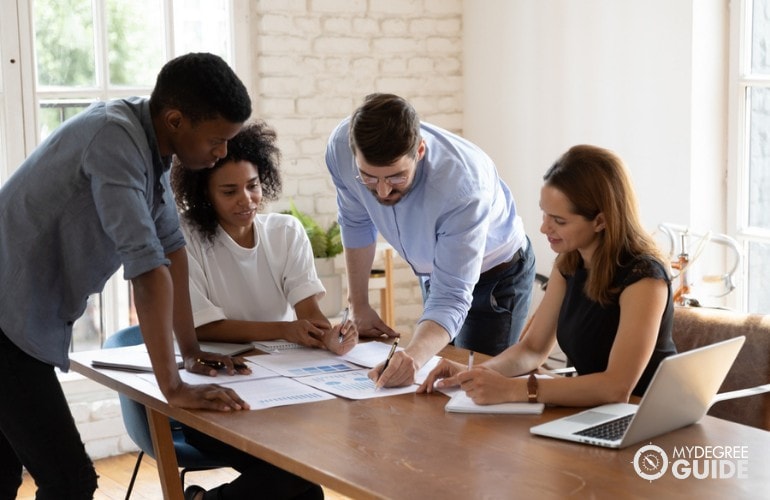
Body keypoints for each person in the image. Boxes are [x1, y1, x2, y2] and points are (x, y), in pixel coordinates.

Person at [0, 52, 255, 499]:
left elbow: (172, 249)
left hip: (16, 318)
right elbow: (147, 269)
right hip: (5, 323)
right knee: (70, 481)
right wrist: (172, 388)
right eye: (217, 139)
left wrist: (191, 351)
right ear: (176, 119)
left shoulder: (147, 144)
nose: (223, 152)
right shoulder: (113, 138)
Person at [419, 145, 677, 406]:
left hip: (647, 416)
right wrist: (474, 374)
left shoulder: (644, 278)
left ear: (600, 221)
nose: (544, 227)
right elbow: (532, 349)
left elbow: (616, 388)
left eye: (559, 221)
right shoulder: (570, 262)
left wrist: (515, 390)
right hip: (597, 411)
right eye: (544, 213)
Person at [325, 93, 535, 389]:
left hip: (496, 276)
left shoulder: (463, 186)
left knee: (474, 390)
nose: (383, 191)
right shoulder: (339, 149)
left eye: (396, 178)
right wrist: (358, 304)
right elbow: (356, 220)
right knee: (432, 382)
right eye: (369, 178)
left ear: (419, 151)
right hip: (436, 271)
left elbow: (450, 297)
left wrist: (412, 357)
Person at [170, 121, 357, 354]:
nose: (247, 199)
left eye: (253, 186)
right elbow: (199, 326)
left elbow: (309, 313)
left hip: (277, 363)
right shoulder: (184, 236)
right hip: (214, 363)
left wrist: (329, 337)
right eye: (229, 192)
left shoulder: (286, 232)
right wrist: (283, 329)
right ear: (205, 193)